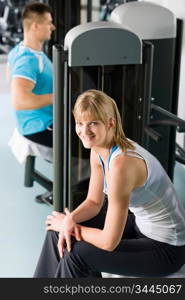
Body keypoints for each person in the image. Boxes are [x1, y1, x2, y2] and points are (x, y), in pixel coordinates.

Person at [34, 89, 185, 278]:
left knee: (77, 254)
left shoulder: (122, 165)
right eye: (80, 123)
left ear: (110, 123)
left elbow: (108, 242)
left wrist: (70, 226)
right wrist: (71, 219)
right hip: (139, 226)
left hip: (166, 248)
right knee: (57, 234)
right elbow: (94, 202)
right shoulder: (98, 149)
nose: (84, 131)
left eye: (93, 123)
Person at [7, 2, 55, 205]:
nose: (52, 27)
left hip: (34, 123)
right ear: (35, 26)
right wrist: (61, 96)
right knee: (93, 143)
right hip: (41, 128)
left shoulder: (20, 51)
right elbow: (19, 100)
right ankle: (69, 194)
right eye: (49, 23)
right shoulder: (28, 60)